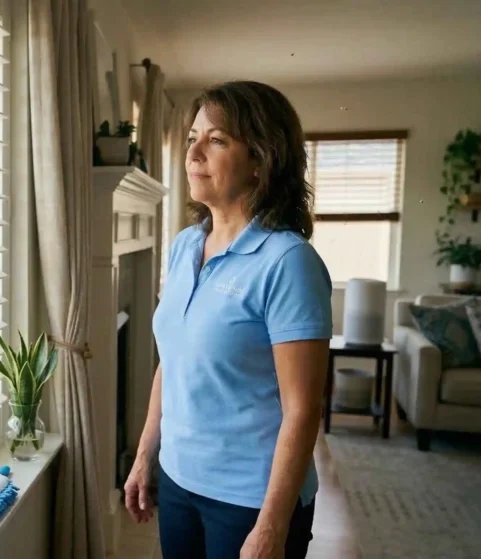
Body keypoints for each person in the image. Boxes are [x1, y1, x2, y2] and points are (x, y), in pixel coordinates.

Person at [123, 81, 332, 559]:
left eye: (216, 140)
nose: (193, 152)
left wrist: (272, 528)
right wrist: (144, 456)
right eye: (192, 136)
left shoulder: (288, 262)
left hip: (250, 499)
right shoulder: (183, 246)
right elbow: (171, 362)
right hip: (178, 480)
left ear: (261, 158)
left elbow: (302, 410)